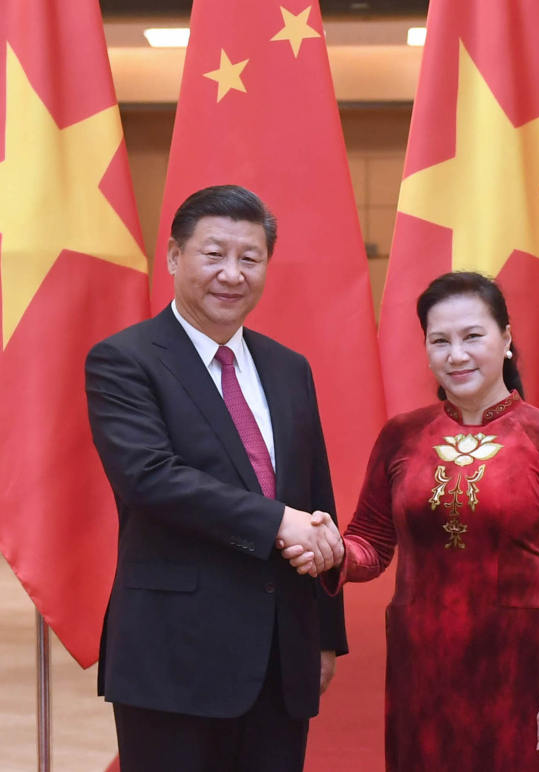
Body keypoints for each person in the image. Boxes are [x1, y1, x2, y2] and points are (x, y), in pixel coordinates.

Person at [283, 272, 539, 771]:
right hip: (421, 667)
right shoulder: (401, 435)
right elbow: (371, 543)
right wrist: (335, 551)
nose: (456, 355)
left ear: (506, 338)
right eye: (440, 341)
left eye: (472, 336)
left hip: (520, 668)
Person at [85, 184, 347, 772]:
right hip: (173, 656)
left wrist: (325, 634)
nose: (232, 274)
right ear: (174, 257)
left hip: (281, 656)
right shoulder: (124, 360)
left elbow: (315, 499)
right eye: (214, 254)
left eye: (250, 258)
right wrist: (277, 522)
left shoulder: (289, 367)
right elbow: (149, 478)